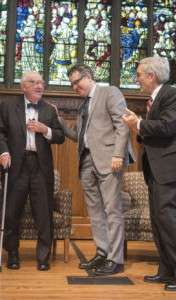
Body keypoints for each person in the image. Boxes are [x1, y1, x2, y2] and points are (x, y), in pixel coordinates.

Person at [122, 56, 176, 291]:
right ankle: (169, 270)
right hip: (157, 168)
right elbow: (157, 131)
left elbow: (168, 127)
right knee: (158, 221)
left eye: (139, 75)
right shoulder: (155, 99)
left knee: (169, 220)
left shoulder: (173, 96)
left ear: (151, 76)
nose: (136, 79)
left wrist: (139, 124)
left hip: (170, 167)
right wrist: (139, 127)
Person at [54, 63, 136, 276]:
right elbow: (77, 137)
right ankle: (102, 253)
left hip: (109, 160)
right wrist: (59, 121)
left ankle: (116, 260)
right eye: (71, 84)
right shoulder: (83, 107)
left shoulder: (110, 92)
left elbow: (121, 125)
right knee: (95, 212)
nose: (74, 87)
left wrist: (118, 154)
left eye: (76, 82)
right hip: (87, 161)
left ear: (88, 76)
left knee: (112, 209)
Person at [0, 71, 65, 271]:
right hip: (16, 165)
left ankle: (43, 256)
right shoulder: (8, 106)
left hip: (41, 167)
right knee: (12, 213)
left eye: (41, 82)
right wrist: (3, 153)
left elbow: (59, 136)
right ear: (24, 86)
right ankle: (12, 254)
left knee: (43, 214)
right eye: (34, 83)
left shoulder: (49, 110)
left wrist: (45, 130)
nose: (39, 86)